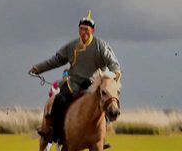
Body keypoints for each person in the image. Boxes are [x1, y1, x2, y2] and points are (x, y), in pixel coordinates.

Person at [29, 11, 122, 140]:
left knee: (104, 102)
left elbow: (113, 62)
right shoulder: (71, 46)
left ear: (92, 30)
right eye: (81, 29)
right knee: (59, 100)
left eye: (86, 29)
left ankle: (101, 138)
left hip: (93, 84)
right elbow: (56, 60)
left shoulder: (101, 46)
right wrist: (39, 68)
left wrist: (115, 74)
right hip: (74, 83)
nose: (84, 32)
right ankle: (53, 132)